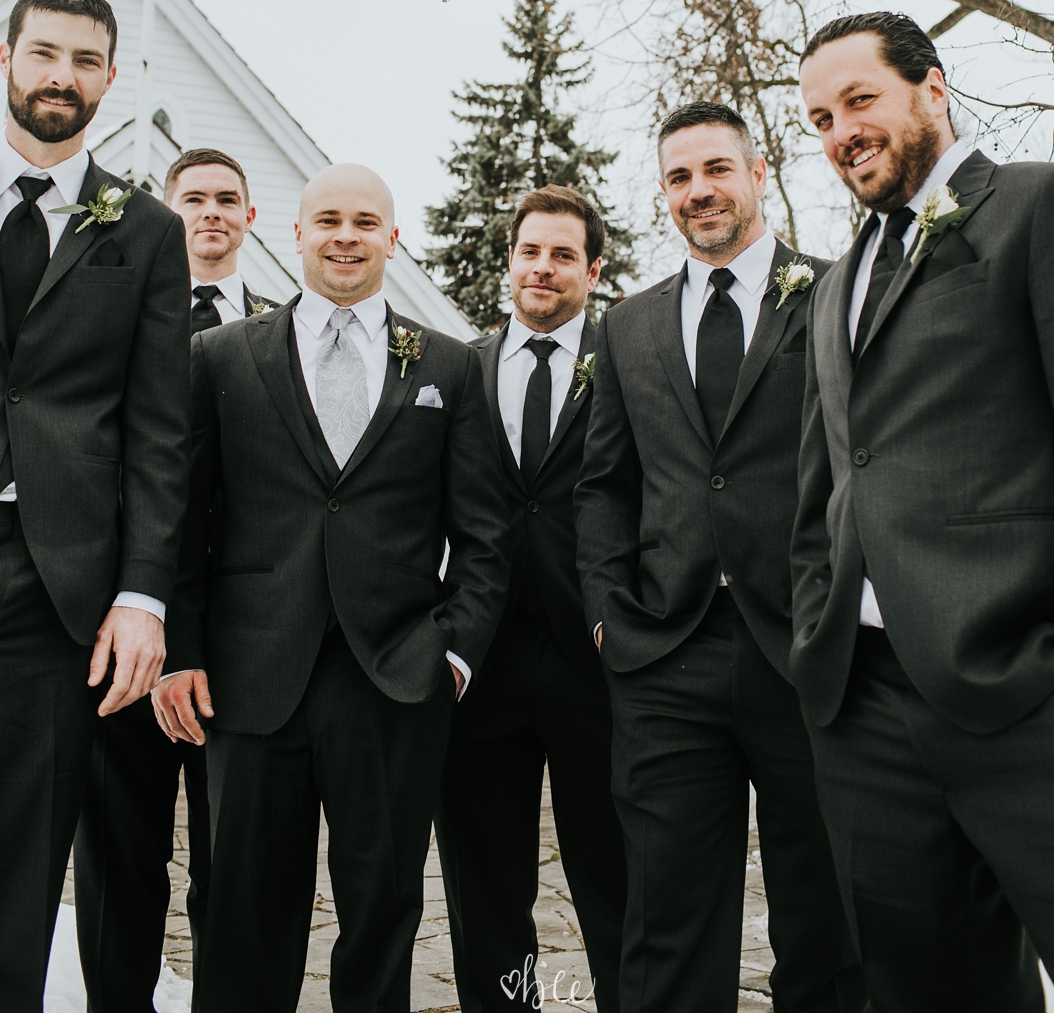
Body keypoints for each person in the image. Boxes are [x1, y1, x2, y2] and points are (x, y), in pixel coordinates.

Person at [152, 163, 510, 1013]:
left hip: (392, 678)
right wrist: (185, 651)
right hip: (248, 679)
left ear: (392, 237)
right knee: (242, 910)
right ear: (297, 233)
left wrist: (451, 654)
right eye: (327, 220)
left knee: (383, 908)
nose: (344, 235)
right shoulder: (222, 355)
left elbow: (486, 533)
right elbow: (181, 521)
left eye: (364, 221)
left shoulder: (449, 367)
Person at [575, 102, 864, 1013]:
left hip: (806, 651)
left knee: (823, 916)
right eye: (678, 176)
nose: (698, 190)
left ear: (759, 171)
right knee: (668, 919)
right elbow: (604, 486)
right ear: (662, 192)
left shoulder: (833, 292)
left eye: (715, 169)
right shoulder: (627, 325)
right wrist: (608, 617)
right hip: (665, 656)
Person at [793, 11, 1054, 1011]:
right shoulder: (832, 283)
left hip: (1019, 683)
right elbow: (827, 475)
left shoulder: (1032, 207)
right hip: (862, 706)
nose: (839, 132)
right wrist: (815, 619)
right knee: (923, 990)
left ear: (932, 91)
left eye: (859, 100)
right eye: (819, 117)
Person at [0, 0, 190, 1013]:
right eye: (44, 54)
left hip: (52, 581)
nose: (62, 77)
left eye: (84, 61)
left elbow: (159, 427)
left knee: (27, 851)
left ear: (110, 79)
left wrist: (143, 593)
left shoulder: (147, 231)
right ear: (8, 59)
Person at [74, 147, 280, 1012]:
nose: (211, 213)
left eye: (228, 199)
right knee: (121, 857)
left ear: (250, 218)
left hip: (241, 643)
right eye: (193, 198)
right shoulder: (113, 320)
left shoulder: (283, 331)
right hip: (126, 627)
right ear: (168, 210)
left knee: (234, 863)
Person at [436, 185, 626, 1013]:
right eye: (529, 251)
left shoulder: (625, 363)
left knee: (619, 881)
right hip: (481, 663)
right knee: (485, 889)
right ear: (509, 260)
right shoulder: (458, 368)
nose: (541, 268)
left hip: (597, 662)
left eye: (561, 254)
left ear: (592, 267)